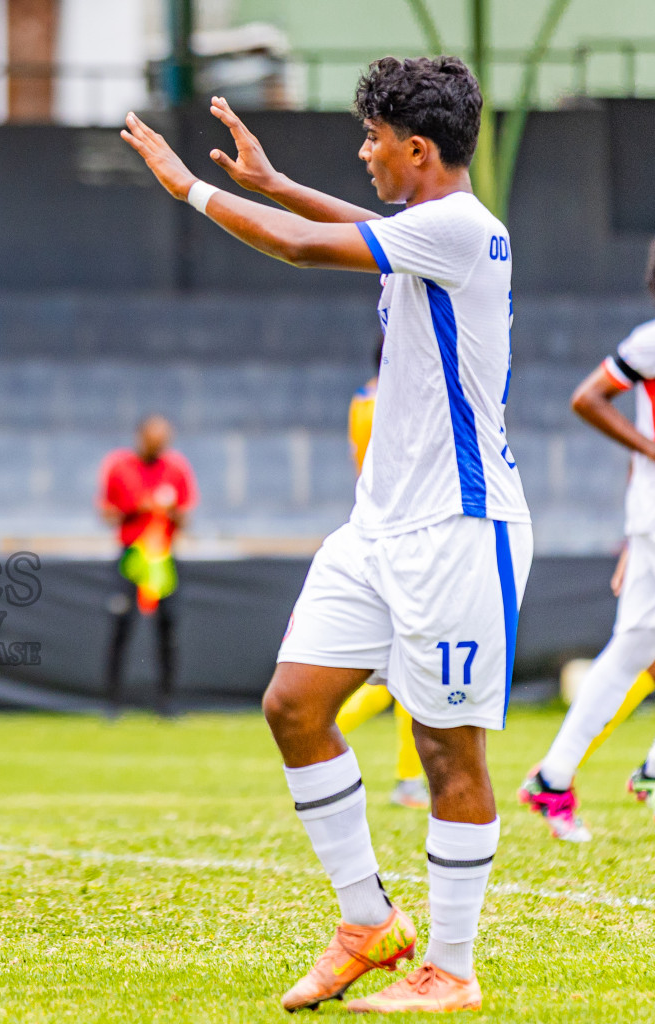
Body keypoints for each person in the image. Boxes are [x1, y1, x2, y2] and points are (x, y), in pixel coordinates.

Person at [121, 56, 531, 1013]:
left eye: (373, 140)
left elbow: (309, 248)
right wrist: (270, 183)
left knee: (448, 754)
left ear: (416, 149)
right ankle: (368, 923)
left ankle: (454, 969)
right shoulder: (434, 228)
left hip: (458, 530)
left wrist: (191, 190)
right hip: (377, 529)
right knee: (294, 705)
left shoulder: (465, 228)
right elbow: (355, 224)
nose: (364, 153)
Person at [519, 238, 655, 841]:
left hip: (645, 519)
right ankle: (553, 779)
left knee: (633, 650)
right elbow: (586, 397)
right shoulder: (649, 341)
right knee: (630, 650)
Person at [336, 344, 429, 810]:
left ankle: (407, 776)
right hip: (402, 536)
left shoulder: (361, 400)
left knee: (396, 670)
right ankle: (407, 778)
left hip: (379, 530)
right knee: (406, 667)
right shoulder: (391, 404)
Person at [97, 415, 197, 713]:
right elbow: (106, 513)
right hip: (131, 555)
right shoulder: (120, 466)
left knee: (168, 628)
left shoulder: (176, 468)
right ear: (141, 437)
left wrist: (170, 510)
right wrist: (137, 507)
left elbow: (186, 517)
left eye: (163, 440)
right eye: (154, 439)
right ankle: (112, 703)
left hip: (163, 557)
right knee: (121, 625)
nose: (159, 445)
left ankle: (166, 702)